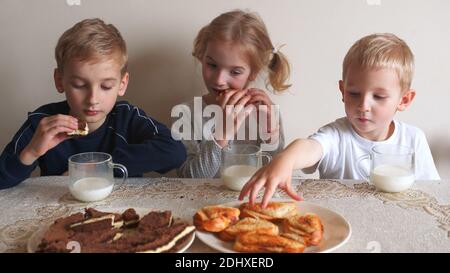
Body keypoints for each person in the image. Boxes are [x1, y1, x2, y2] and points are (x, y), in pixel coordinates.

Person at [239, 33, 440, 207]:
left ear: (404, 100)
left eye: (378, 97)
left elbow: (432, 192)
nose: (363, 105)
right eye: (354, 93)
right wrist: (285, 159)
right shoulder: (336, 136)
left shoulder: (414, 140)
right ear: (343, 91)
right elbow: (310, 147)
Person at [0, 18, 186, 189]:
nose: (93, 99)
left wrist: (98, 168)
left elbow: (175, 152)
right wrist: (31, 152)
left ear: (122, 84)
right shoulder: (43, 123)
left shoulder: (127, 118)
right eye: (80, 85)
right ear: (59, 80)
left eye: (106, 86)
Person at [175, 10, 291, 178]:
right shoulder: (186, 113)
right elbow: (189, 179)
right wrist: (220, 135)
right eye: (212, 65)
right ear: (202, 57)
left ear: (253, 72)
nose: (219, 80)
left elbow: (274, 175)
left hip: (251, 203)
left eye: (235, 72)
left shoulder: (265, 112)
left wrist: (271, 136)